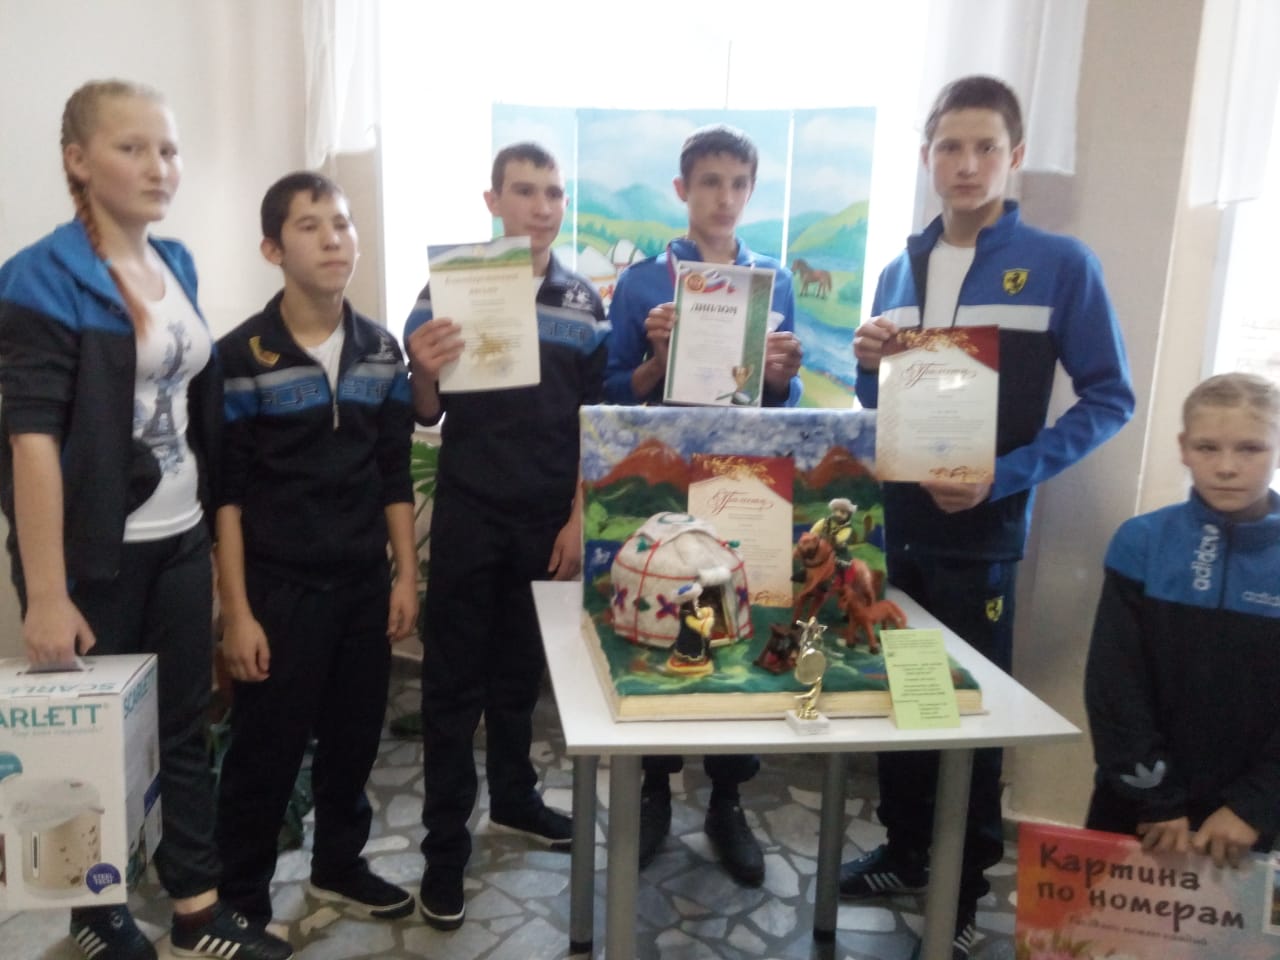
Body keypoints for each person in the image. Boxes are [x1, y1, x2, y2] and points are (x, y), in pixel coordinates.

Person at [840, 76, 1135, 959]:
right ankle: (905, 852)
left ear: (1015, 157)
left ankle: (963, 886)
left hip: (981, 539)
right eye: (949, 147)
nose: (966, 165)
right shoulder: (899, 269)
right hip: (897, 533)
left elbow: (1110, 398)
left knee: (965, 714)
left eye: (985, 148)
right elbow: (884, 407)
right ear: (926, 157)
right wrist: (865, 366)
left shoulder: (1060, 264)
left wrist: (1005, 477)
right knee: (904, 697)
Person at [0, 80, 292, 960]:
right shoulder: (40, 278)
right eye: (131, 148)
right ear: (78, 160)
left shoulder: (178, 265)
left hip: (179, 538)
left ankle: (197, 910)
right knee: (96, 749)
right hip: (94, 559)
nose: (158, 166)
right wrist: (47, 594)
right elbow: (31, 443)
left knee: (181, 728)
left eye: (167, 149)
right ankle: (97, 916)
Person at [402, 142, 609, 930]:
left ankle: (516, 799)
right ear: (492, 201)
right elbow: (427, 412)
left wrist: (579, 518)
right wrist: (423, 368)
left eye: (553, 192)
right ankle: (444, 851)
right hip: (470, 511)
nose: (542, 206)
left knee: (522, 675)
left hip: (548, 519)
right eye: (525, 191)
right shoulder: (447, 288)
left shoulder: (584, 302)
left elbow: (596, 422)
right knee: (452, 686)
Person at [213, 172, 417, 928]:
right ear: (273, 249)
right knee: (265, 752)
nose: (334, 239)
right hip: (279, 590)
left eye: (342, 223)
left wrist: (405, 576)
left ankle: (338, 864)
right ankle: (241, 899)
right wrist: (237, 613)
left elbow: (393, 473)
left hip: (363, 583)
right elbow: (225, 498)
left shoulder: (381, 351)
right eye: (310, 226)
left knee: (354, 741)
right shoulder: (239, 357)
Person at [603, 123, 804, 887]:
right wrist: (655, 361)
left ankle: (727, 799)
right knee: (662, 630)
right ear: (682, 190)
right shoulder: (644, 283)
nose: (725, 197)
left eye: (738, 184)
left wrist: (781, 376)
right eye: (710, 182)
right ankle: (653, 789)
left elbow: (780, 399)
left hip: (736, 488)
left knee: (729, 633)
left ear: (751, 191)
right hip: (662, 487)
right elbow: (612, 391)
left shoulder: (772, 280)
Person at [1085, 372, 1280, 869]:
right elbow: (1114, 683)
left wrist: (1255, 804)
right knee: (1104, 919)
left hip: (1252, 816)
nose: (1227, 467)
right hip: (1139, 800)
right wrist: (1155, 796)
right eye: (1207, 447)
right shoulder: (1141, 542)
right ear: (1183, 448)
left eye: (1250, 448)